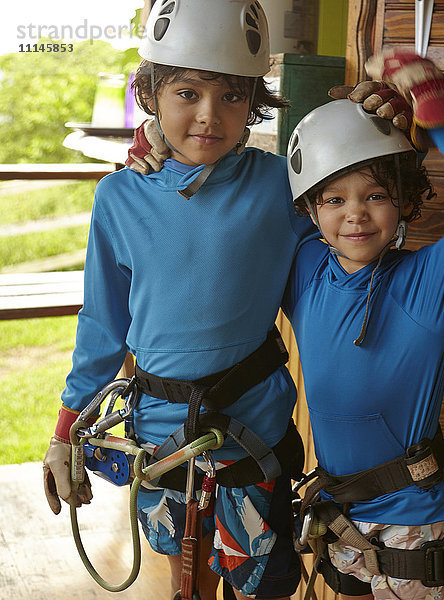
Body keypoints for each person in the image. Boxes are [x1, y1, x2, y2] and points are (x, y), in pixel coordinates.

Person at [42, 2, 314, 599]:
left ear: (253, 105)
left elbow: (351, 227)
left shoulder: (279, 185)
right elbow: (101, 326)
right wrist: (66, 432)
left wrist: (368, 118)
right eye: (187, 93)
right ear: (151, 94)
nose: (210, 117)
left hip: (254, 431)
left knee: (262, 585)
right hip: (162, 439)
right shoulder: (119, 198)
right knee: (186, 583)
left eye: (232, 98)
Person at [281, 50, 444, 600]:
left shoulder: (429, 280)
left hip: (411, 517)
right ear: (312, 212)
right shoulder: (304, 266)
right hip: (340, 508)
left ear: (408, 202)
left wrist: (440, 118)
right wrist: (163, 145)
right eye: (335, 199)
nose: (355, 214)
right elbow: (248, 197)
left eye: (377, 195)